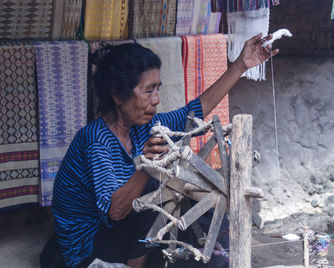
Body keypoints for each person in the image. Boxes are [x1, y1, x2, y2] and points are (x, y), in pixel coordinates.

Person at [40, 33, 278, 268]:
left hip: (125, 232)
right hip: (88, 248)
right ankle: (136, 262)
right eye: (148, 90)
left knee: (197, 235)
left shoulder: (143, 126)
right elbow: (115, 212)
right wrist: (147, 165)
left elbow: (195, 112)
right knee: (161, 184)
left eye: (158, 89)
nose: (156, 99)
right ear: (118, 96)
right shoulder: (96, 140)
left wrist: (240, 65)